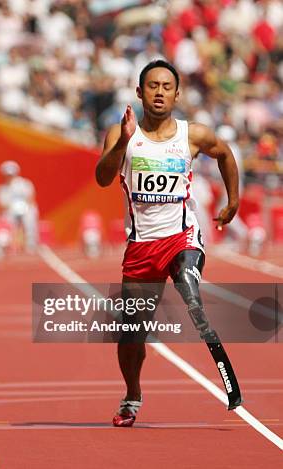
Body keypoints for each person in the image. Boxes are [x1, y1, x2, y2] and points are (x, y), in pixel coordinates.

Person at [95, 60, 240, 427]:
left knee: (190, 288)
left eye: (167, 86)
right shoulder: (121, 133)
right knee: (131, 333)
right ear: (140, 92)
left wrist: (233, 200)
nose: (160, 92)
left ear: (177, 94)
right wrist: (124, 142)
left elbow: (224, 154)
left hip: (182, 237)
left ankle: (190, 280)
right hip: (141, 247)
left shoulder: (193, 135)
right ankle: (132, 394)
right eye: (153, 86)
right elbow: (101, 178)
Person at [0, 160, 39, 259]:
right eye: (7, 174)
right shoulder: (3, 189)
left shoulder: (25, 184)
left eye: (11, 174)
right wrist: (13, 209)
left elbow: (31, 197)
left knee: (30, 220)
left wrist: (24, 207)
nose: (10, 176)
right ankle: (2, 245)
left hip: (26, 208)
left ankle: (31, 245)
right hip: (11, 211)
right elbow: (2, 204)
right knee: (5, 223)